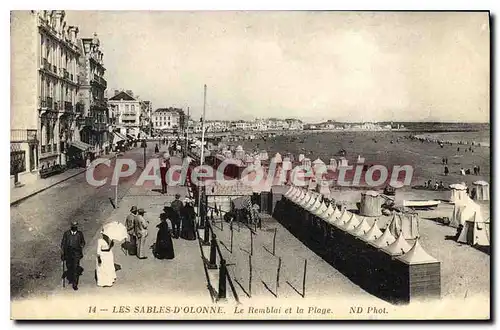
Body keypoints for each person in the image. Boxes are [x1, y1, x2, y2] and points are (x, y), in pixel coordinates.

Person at [61, 221, 86, 290]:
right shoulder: (67, 234)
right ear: (71, 227)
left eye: (75, 226)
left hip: (76, 254)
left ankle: (75, 284)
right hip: (68, 253)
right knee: (69, 266)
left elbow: (83, 242)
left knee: (75, 268)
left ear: (77, 227)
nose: (74, 228)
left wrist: (81, 246)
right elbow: (63, 243)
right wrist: (62, 253)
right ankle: (71, 278)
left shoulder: (79, 234)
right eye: (73, 226)